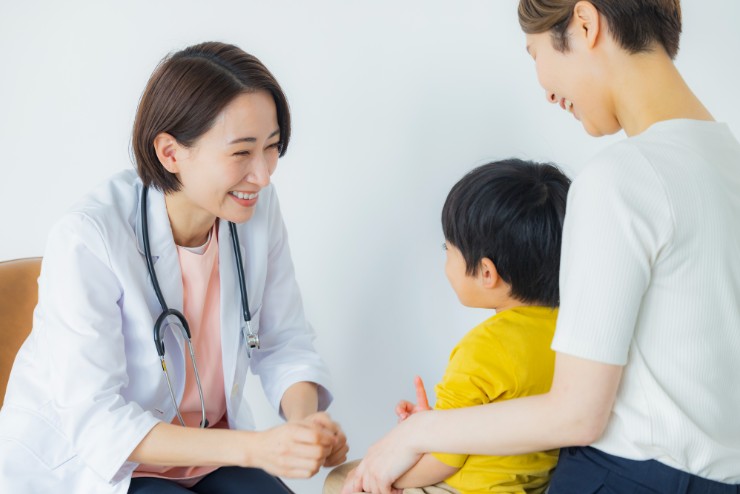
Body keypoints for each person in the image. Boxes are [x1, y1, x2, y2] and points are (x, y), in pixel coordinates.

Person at [342, 1, 740, 493]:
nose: (547, 92)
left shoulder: (622, 179)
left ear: (585, 24)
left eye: (535, 54)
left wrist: (417, 432)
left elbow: (578, 413)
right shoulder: (727, 161)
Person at [0, 41, 348, 493]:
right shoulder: (88, 236)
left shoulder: (254, 209)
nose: (263, 175)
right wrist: (257, 448)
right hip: (100, 465)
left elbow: (284, 341)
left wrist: (304, 427)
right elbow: (98, 420)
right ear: (170, 153)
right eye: (241, 153)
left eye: (272, 147)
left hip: (207, 452)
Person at [325, 160, 570, 494]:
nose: (446, 261)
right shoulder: (571, 333)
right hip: (535, 488)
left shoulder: (485, 347)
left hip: (467, 490)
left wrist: (380, 477)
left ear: (486, 273)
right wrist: (433, 422)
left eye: (448, 249)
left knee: (341, 478)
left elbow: (445, 459)